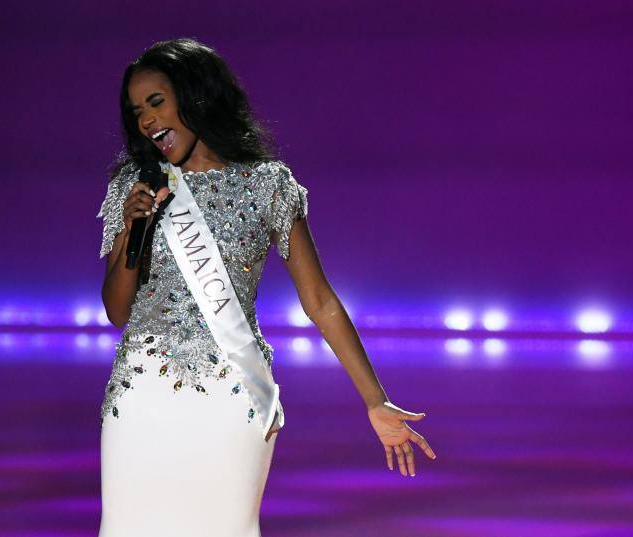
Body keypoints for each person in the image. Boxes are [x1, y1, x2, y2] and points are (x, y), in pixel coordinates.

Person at [96, 37, 436, 537]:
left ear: (196, 96)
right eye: (136, 111)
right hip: (141, 396)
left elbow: (319, 300)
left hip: (233, 396)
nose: (146, 120)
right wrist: (131, 228)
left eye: (156, 102)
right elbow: (116, 310)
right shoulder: (134, 186)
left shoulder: (267, 184)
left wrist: (374, 399)